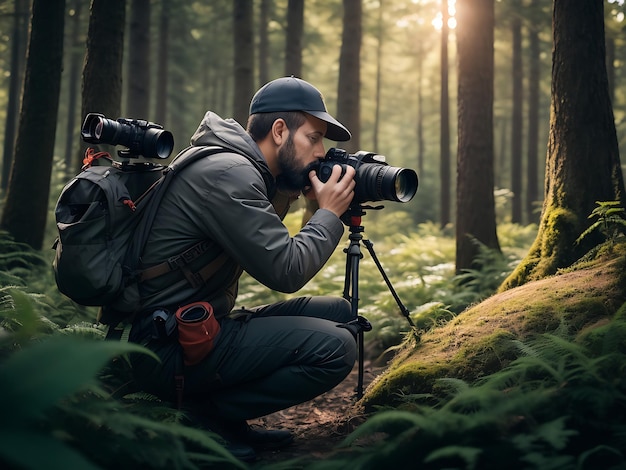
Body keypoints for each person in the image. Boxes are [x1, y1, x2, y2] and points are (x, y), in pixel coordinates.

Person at [125, 76, 358, 461]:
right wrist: (330, 213)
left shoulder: (243, 169)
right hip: (164, 347)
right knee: (336, 347)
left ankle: (222, 415)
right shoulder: (228, 174)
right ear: (280, 131)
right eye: (314, 138)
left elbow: (273, 252)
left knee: (341, 313)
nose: (321, 152)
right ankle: (204, 418)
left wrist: (305, 200)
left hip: (194, 327)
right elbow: (286, 271)